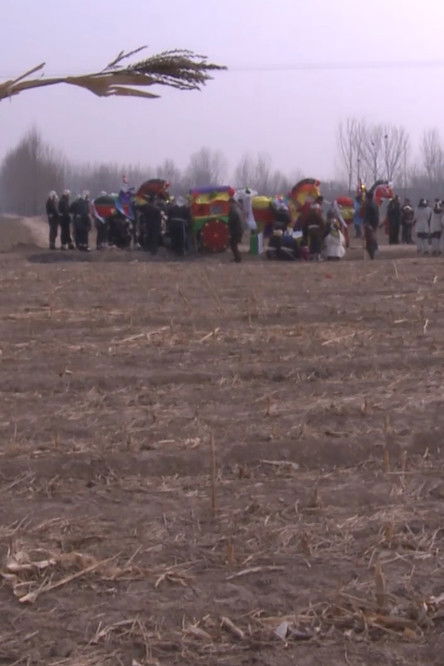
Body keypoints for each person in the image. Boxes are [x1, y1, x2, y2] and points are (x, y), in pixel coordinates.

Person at [362, 191, 379, 259]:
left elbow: (367, 215)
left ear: (367, 197)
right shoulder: (375, 204)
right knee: (372, 239)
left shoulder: (368, 204)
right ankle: (374, 252)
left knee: (370, 240)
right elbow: (377, 216)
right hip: (374, 224)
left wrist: (367, 224)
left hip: (370, 224)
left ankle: (372, 253)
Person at [228, 197, 243, 262]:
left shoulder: (234, 210)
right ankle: (237, 258)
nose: (229, 205)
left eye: (229, 203)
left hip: (236, 231)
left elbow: (231, 220)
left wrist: (228, 223)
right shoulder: (237, 209)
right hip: (238, 230)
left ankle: (238, 258)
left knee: (233, 245)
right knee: (233, 245)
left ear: (232, 203)